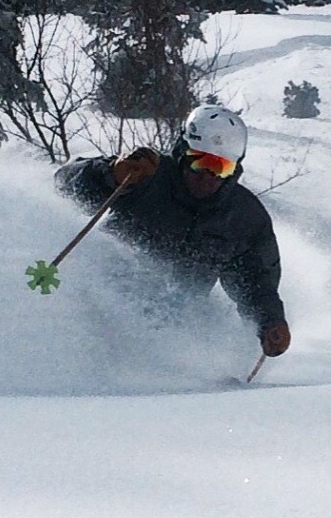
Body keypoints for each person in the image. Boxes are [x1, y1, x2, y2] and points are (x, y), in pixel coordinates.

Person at [55, 105, 292, 357]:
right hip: (100, 302)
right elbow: (65, 182)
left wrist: (269, 322)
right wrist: (111, 174)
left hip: (171, 325)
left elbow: (255, 281)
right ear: (183, 154)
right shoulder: (145, 173)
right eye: (201, 163)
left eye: (222, 168)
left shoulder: (244, 217)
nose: (209, 176)